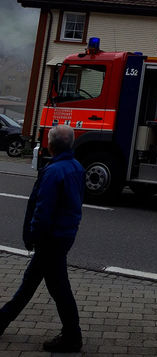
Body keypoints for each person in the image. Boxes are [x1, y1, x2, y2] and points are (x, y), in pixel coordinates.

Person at [0, 124, 85, 353]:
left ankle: (72, 336)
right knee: (31, 282)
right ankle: (2, 320)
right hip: (64, 234)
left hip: (50, 238)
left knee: (58, 288)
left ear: (50, 145)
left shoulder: (53, 171)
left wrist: (33, 235)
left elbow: (42, 209)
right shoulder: (76, 167)